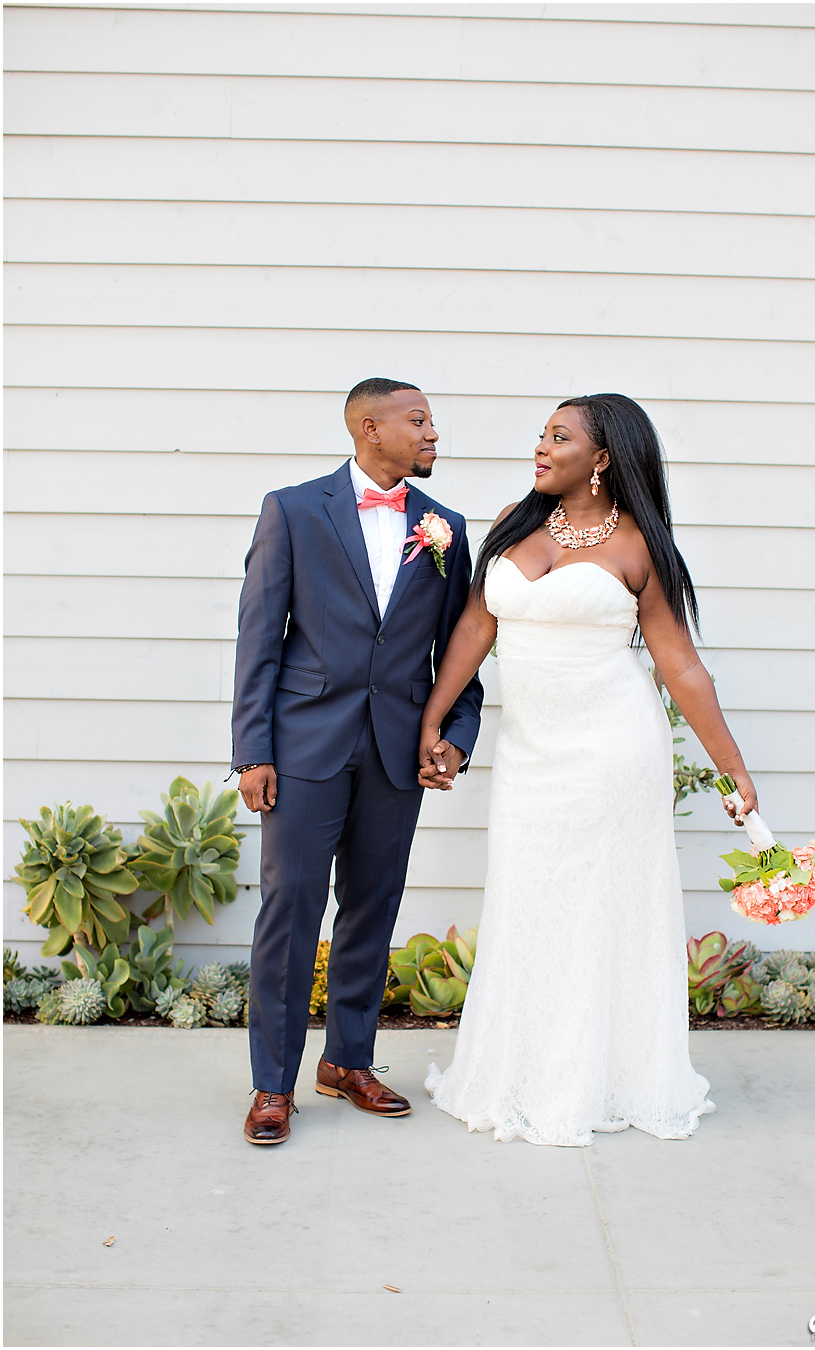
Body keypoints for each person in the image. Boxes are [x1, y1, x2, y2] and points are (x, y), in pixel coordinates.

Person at [418, 392, 757, 1147]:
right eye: (542, 434)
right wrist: (433, 717)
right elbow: (477, 623)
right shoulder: (517, 520)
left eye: (559, 437)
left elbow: (683, 668)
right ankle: (524, 1071)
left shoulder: (639, 545)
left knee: (599, 911)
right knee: (528, 902)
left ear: (601, 459)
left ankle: (599, 1078)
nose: (541, 447)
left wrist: (733, 770)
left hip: (613, 754)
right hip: (532, 757)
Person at [232, 377, 483, 1145]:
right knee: (291, 911)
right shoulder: (295, 510)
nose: (433, 433)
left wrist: (458, 737)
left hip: (395, 752)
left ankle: (349, 1061)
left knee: (372, 908)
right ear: (370, 427)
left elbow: (462, 651)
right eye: (419, 420)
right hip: (304, 747)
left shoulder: (446, 525)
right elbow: (259, 638)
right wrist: (252, 752)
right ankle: (273, 1083)